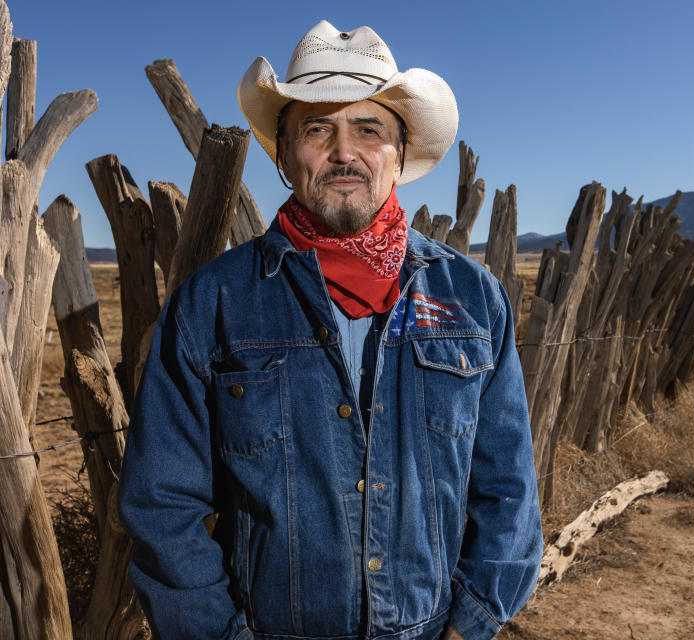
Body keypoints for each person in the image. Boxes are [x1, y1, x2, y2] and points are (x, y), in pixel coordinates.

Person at [117, 19, 542, 640]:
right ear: (285, 154)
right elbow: (161, 506)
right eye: (318, 128)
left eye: (369, 129)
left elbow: (507, 489)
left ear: (398, 155)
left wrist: (471, 624)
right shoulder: (215, 304)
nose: (345, 151)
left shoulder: (473, 300)